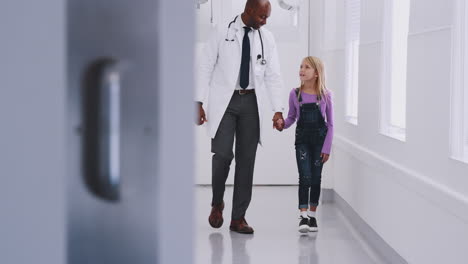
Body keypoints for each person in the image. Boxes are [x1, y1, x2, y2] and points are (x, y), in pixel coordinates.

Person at [195, 0, 284, 234]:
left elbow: (274, 75)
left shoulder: (267, 38)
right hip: (225, 101)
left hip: (252, 102)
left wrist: (278, 109)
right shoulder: (222, 30)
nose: (265, 21)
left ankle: (238, 218)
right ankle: (217, 203)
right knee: (222, 154)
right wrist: (198, 102)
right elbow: (205, 66)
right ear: (250, 10)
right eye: (263, 17)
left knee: (246, 161)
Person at [276, 56, 334, 233]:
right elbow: (292, 117)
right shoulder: (295, 93)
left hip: (319, 141)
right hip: (302, 140)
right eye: (301, 66)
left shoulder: (325, 95)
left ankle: (313, 216)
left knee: (316, 178)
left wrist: (326, 148)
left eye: (307, 67)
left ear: (316, 73)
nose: (302, 70)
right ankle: (303, 215)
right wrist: (282, 124)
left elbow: (330, 124)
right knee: (305, 176)